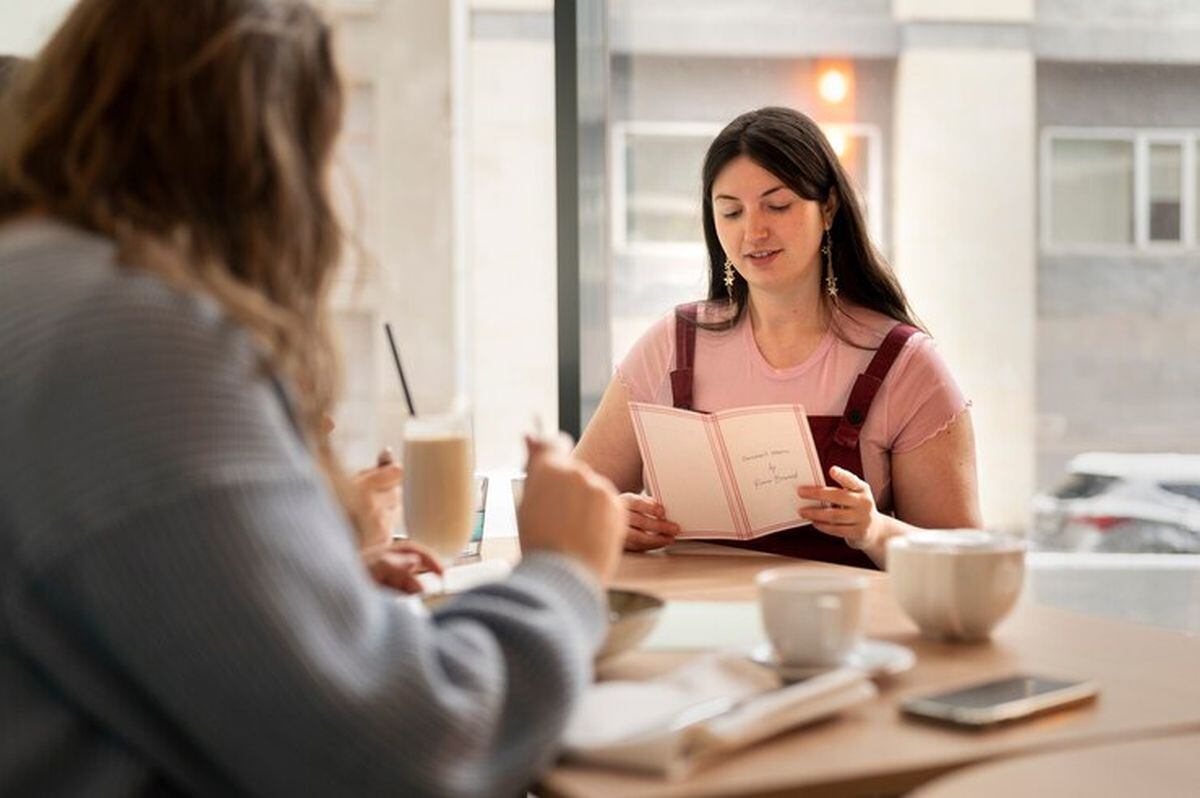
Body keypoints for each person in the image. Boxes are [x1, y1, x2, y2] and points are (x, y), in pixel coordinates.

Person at [0, 1, 624, 796]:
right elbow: (405, 751)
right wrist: (562, 573)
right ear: (269, 152)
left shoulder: (38, 288)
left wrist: (318, 586)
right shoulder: (126, 333)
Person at [575, 106, 981, 569]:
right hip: (692, 626)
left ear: (827, 208)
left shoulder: (907, 365)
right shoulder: (671, 344)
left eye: (778, 205)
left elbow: (967, 561)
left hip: (834, 631)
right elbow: (564, 510)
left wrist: (876, 530)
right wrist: (612, 518)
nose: (754, 231)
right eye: (730, 211)